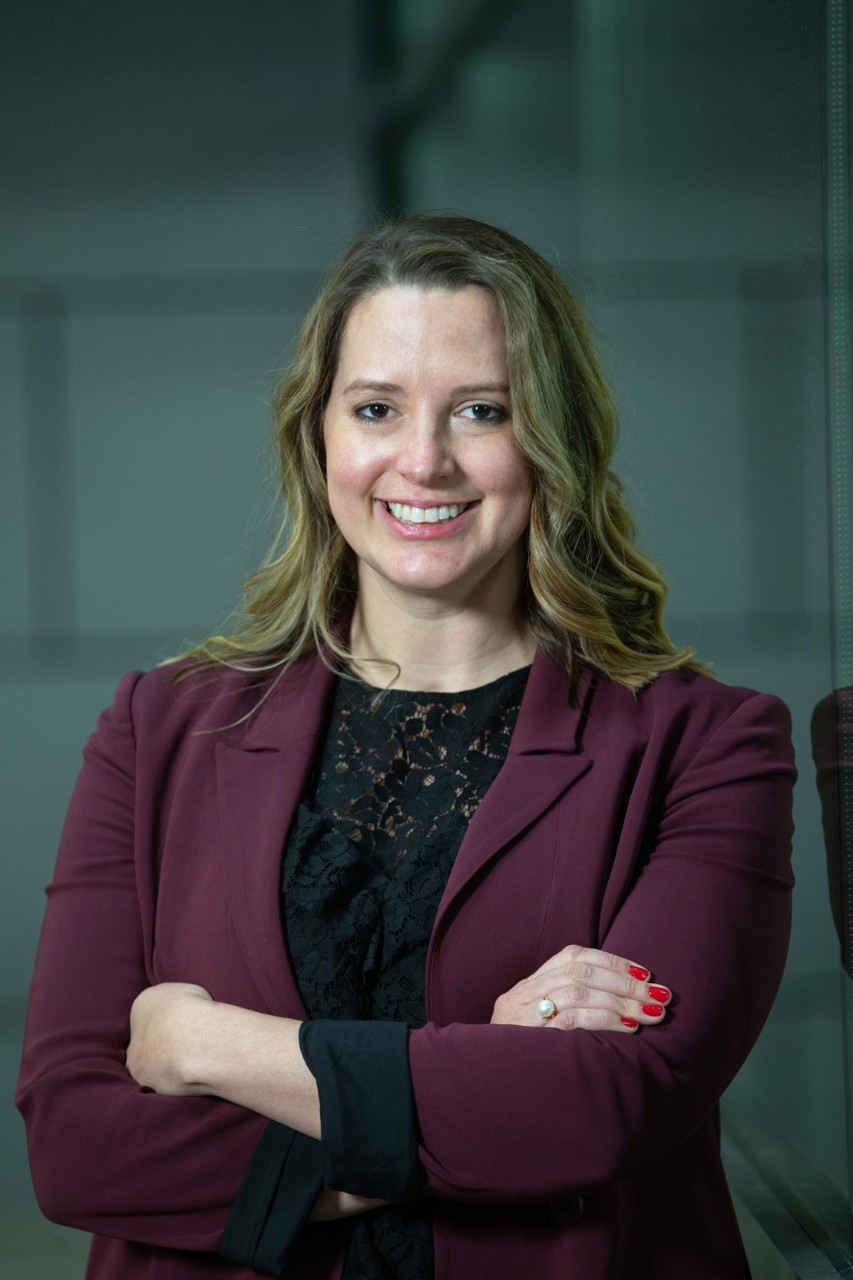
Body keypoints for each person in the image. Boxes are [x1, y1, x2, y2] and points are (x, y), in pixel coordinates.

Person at [17, 215, 796, 1280]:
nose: (422, 461)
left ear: (552, 439)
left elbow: (603, 1109)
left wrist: (207, 1045)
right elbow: (77, 1147)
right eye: (376, 408)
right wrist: (488, 1092)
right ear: (318, 437)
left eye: (482, 410)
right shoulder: (158, 730)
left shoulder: (706, 744)